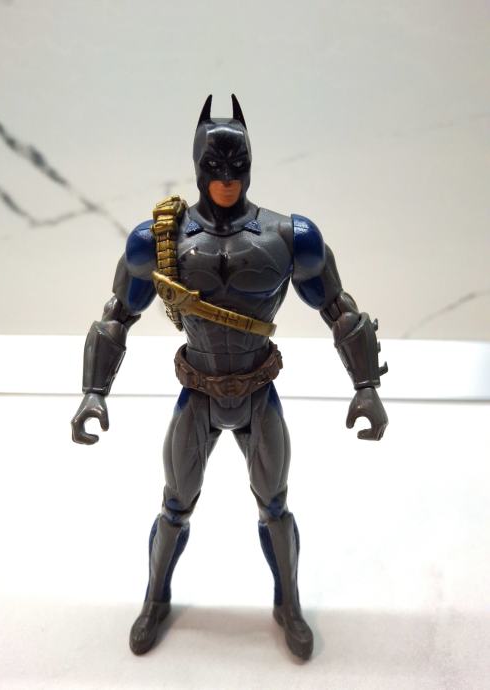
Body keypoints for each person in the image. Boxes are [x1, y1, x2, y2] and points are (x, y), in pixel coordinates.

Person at [71, 95, 388, 660]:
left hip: (257, 391)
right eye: (213, 167)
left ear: (251, 165)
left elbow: (339, 309)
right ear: (196, 166)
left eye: (236, 166)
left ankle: (289, 604)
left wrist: (366, 387)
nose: (225, 179)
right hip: (197, 393)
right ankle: (155, 599)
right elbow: (117, 315)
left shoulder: (289, 237)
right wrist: (94, 392)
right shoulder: (159, 241)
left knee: (275, 505)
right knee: (175, 505)